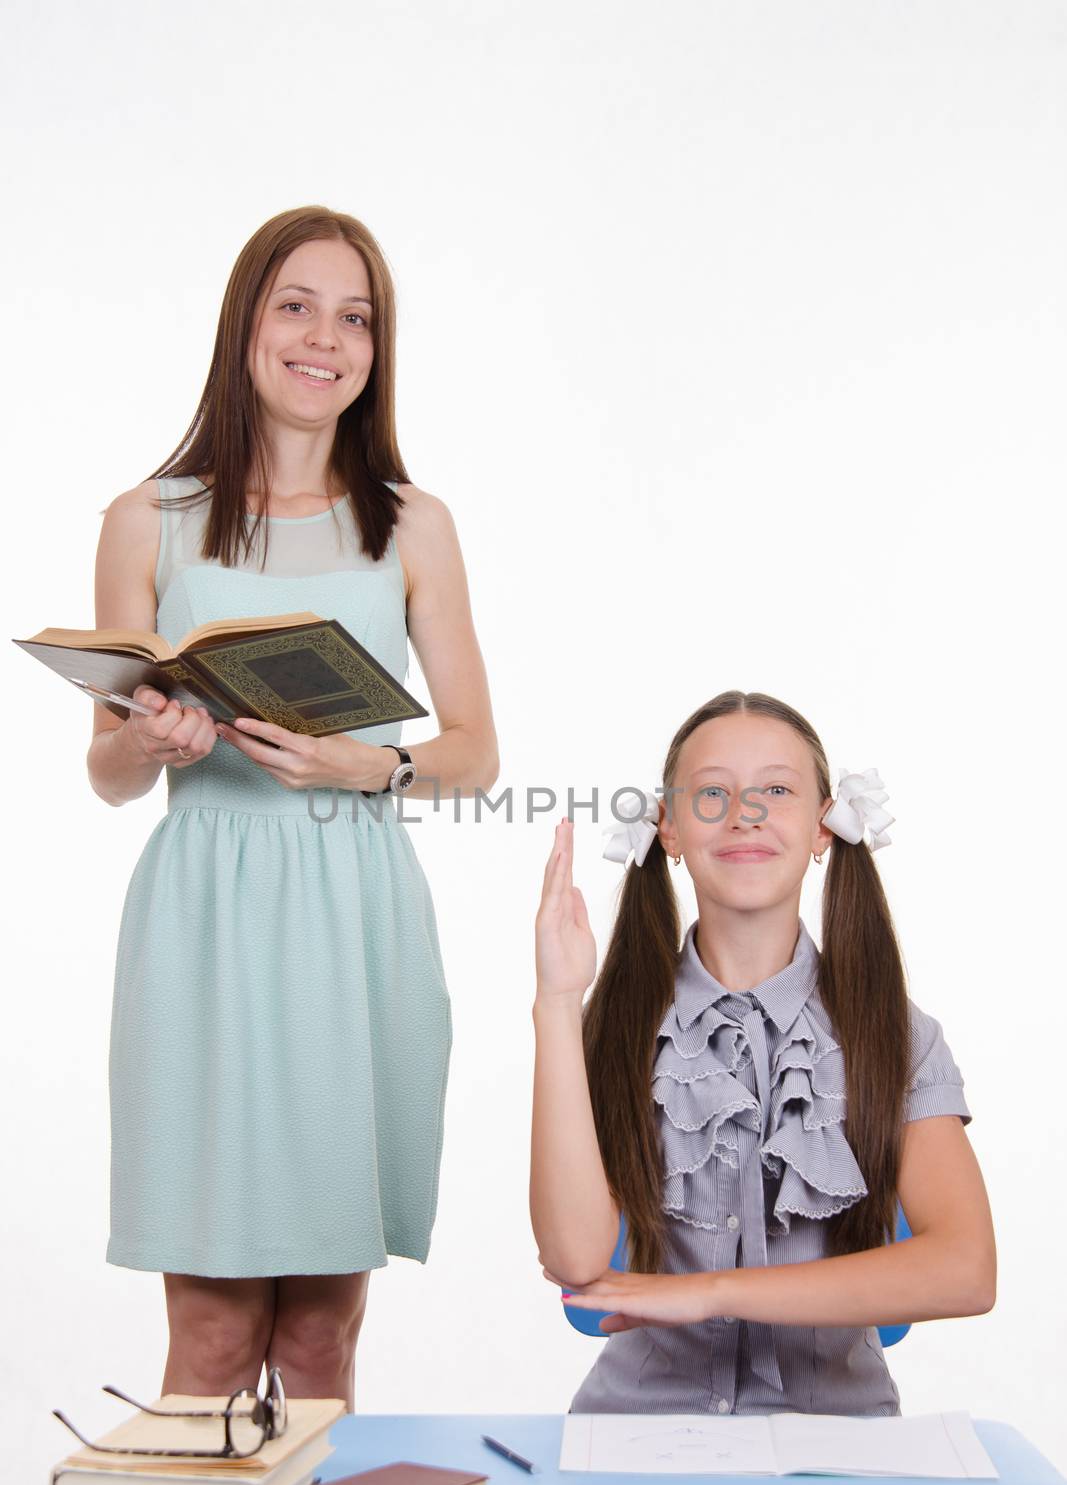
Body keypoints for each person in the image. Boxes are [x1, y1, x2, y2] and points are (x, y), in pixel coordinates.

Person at [88, 205, 498, 1409]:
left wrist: (366, 766)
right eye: (297, 305)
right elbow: (103, 772)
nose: (327, 338)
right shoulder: (146, 519)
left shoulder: (412, 525)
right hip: (204, 919)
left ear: (378, 347)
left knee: (320, 1343)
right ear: (247, 326)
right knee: (212, 1340)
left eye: (356, 316)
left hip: (353, 914)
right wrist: (149, 741)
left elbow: (473, 751)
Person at [530, 690, 994, 1416]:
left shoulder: (898, 1035)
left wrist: (710, 1293)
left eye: (775, 789)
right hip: (638, 1431)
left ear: (822, 826)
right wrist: (557, 1004)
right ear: (669, 829)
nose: (743, 811)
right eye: (711, 792)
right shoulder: (611, 1026)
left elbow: (965, 1270)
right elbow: (574, 1261)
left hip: (837, 1437)